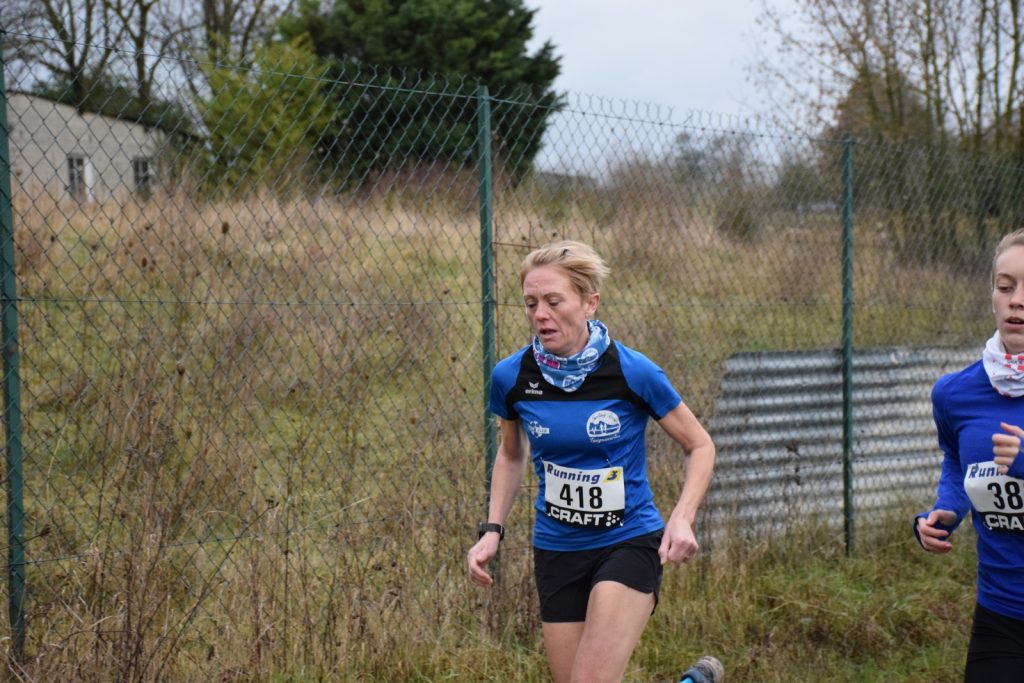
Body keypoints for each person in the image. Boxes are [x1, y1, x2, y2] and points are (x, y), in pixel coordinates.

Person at [466, 240, 716, 683]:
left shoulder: (632, 371)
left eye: (554, 301)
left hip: (628, 541)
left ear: (589, 302)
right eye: (531, 303)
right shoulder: (512, 376)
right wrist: (492, 530)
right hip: (557, 548)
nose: (540, 314)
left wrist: (682, 517)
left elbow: (699, 446)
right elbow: (511, 454)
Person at [915, 227, 1024, 681]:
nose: (1017, 301)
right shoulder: (954, 394)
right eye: (1005, 287)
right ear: (991, 295)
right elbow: (958, 461)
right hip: (1000, 610)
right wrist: (946, 509)